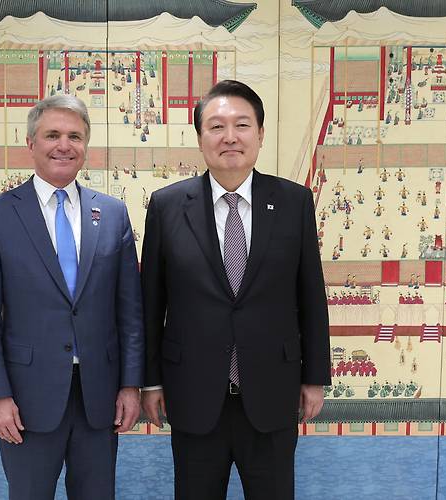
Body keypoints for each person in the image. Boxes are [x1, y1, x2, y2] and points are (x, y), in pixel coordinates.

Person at [141, 80, 330, 500]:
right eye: (216, 127)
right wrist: (150, 382)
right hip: (191, 395)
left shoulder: (294, 202)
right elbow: (152, 303)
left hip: (272, 393)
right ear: (200, 138)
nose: (230, 137)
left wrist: (315, 377)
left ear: (260, 134)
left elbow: (310, 296)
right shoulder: (167, 205)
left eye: (242, 125)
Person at [0, 95, 144, 500]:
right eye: (52, 135)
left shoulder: (112, 214)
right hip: (26, 401)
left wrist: (131, 385)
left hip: (99, 398)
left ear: (85, 146)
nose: (64, 145)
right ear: (31, 144)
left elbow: (129, 312)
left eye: (74, 136)